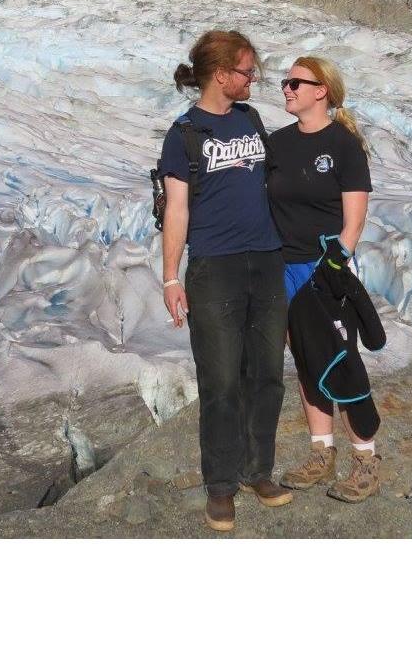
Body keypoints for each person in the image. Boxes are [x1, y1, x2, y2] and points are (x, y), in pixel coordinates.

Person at [159, 29, 292, 532]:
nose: (253, 78)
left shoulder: (250, 120)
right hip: (215, 267)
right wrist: (171, 278)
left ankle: (259, 471)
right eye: (247, 71)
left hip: (267, 259)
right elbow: (176, 209)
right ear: (222, 75)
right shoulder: (185, 133)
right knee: (219, 381)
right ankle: (220, 486)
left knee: (267, 375)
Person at [267, 56, 382, 502]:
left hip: (325, 267)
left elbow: (354, 217)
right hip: (284, 266)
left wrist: (336, 262)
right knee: (307, 360)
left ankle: (366, 459)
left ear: (323, 91)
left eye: (297, 82)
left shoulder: (343, 144)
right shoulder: (277, 144)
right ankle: (321, 452)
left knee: (341, 358)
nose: (288, 89)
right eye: (285, 82)